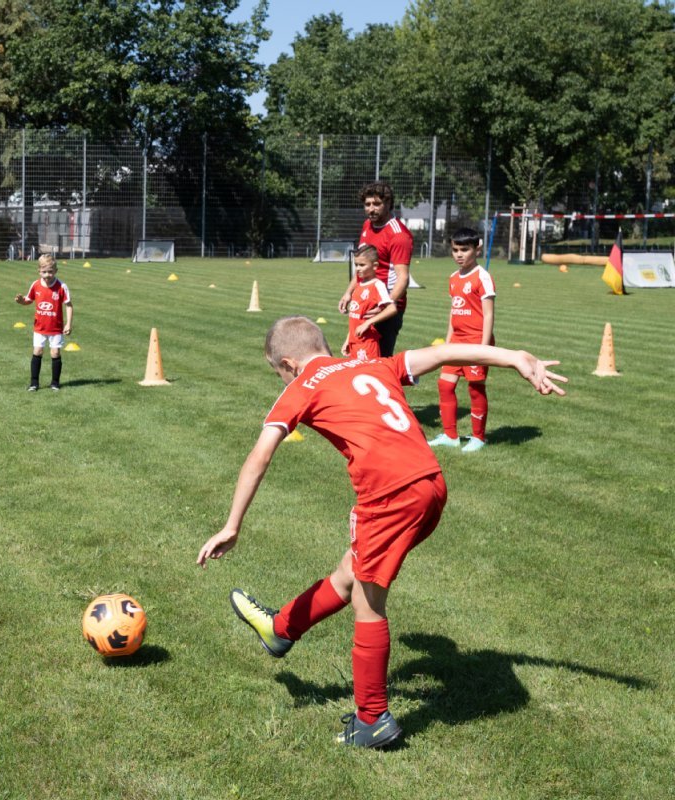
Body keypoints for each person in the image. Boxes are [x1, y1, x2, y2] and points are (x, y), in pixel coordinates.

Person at [196, 315, 566, 748]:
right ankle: (281, 629)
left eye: (277, 373)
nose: (281, 380)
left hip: (389, 495)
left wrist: (232, 524)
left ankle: (372, 720)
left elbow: (260, 455)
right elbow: (446, 352)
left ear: (290, 364)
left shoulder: (300, 387)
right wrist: (515, 357)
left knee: (366, 600)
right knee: (349, 572)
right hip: (430, 484)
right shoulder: (369, 363)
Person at [430, 228, 497, 452]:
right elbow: (454, 311)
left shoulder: (483, 277)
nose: (459, 254)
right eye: (455, 250)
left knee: (475, 388)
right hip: (457, 342)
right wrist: (448, 342)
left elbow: (488, 314)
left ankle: (478, 437)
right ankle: (451, 436)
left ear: (477, 249)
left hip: (477, 341)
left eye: (464, 250)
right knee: (445, 384)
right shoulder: (453, 278)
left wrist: (484, 348)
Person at [337, 182, 413, 356]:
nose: (371, 209)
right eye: (367, 204)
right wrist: (349, 292)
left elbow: (403, 278)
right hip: (365, 303)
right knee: (358, 356)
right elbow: (363, 265)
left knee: (380, 363)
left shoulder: (399, 235)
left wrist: (384, 305)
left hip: (386, 308)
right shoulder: (367, 226)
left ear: (388, 204)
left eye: (377, 204)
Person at [14, 253, 73, 391]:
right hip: (40, 327)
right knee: (38, 351)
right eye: (44, 272)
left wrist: (68, 323)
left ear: (56, 271)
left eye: (50, 272)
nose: (47, 275)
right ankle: (34, 383)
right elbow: (29, 300)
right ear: (39, 271)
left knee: (55, 353)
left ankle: (55, 383)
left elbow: (68, 305)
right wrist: (21, 301)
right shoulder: (35, 285)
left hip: (56, 328)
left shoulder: (61, 287)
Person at [341, 244, 396, 362]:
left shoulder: (377, 285)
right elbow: (356, 318)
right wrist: (348, 339)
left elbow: (392, 309)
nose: (358, 268)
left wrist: (368, 323)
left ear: (375, 266)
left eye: (362, 265)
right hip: (355, 342)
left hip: (367, 343)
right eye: (356, 265)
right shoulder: (359, 286)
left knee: (369, 374)